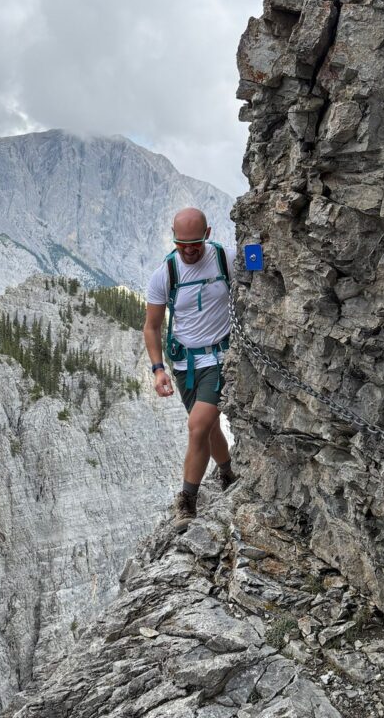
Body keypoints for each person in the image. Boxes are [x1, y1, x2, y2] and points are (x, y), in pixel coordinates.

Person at [144, 207, 239, 532]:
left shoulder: (225, 260)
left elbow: (259, 274)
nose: (188, 250)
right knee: (208, 430)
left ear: (207, 234)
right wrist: (159, 369)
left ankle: (186, 501)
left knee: (198, 426)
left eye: (195, 244)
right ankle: (227, 473)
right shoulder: (165, 274)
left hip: (220, 359)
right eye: (181, 243)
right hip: (185, 365)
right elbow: (151, 327)